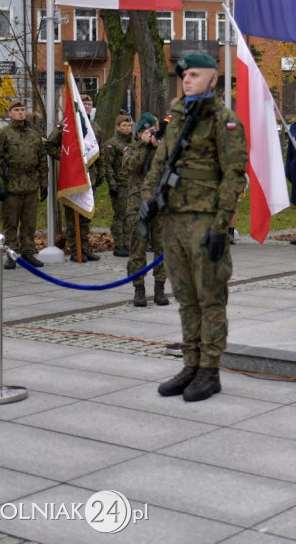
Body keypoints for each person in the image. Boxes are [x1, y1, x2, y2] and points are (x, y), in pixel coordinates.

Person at [145, 52, 247, 403]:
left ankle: (209, 370)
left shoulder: (225, 120)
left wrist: (222, 226)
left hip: (205, 222)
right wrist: (147, 203)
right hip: (173, 221)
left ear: (213, 79)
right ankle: (190, 363)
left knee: (210, 299)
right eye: (184, 75)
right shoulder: (176, 119)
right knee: (185, 299)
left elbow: (234, 176)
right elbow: (160, 163)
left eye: (195, 74)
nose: (187, 80)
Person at [0, 100, 47, 269]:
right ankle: (11, 254)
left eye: (23, 110)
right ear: (10, 113)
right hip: (11, 185)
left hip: (30, 185)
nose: (21, 113)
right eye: (17, 110)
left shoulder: (34, 134)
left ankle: (28, 253)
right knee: (10, 223)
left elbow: (42, 159)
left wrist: (44, 183)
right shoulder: (3, 134)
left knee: (29, 223)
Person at [47, 93, 103, 262]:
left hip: (88, 176)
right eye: (83, 104)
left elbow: (98, 152)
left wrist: (101, 172)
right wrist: (66, 159)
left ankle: (84, 248)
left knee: (86, 213)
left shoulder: (95, 127)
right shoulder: (66, 125)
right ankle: (74, 250)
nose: (86, 106)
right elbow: (50, 145)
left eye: (89, 104)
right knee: (72, 215)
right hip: (72, 176)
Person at [124, 113, 168, 307]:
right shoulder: (132, 148)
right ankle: (139, 289)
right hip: (138, 206)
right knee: (137, 250)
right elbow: (131, 166)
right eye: (147, 131)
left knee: (161, 248)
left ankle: (160, 288)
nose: (151, 134)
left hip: (160, 205)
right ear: (140, 131)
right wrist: (143, 145)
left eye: (154, 130)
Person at [104, 114, 134, 257]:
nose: (128, 128)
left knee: (130, 216)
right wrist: (112, 185)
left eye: (129, 126)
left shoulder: (134, 142)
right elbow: (108, 166)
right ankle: (119, 244)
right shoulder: (112, 144)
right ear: (117, 127)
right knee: (120, 215)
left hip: (132, 184)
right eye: (124, 126)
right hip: (120, 185)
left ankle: (128, 243)